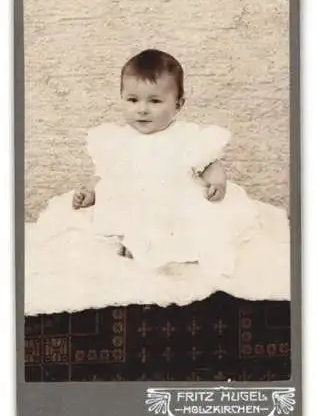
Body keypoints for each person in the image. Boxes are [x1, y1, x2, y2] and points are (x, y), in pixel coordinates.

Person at [25, 49, 290, 316]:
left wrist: (216, 183)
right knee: (100, 227)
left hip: (172, 203)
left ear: (178, 104)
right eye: (132, 99)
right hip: (130, 202)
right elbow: (104, 174)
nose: (142, 109)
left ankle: (165, 254)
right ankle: (128, 246)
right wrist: (90, 192)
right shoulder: (117, 140)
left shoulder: (186, 136)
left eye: (154, 101)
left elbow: (209, 164)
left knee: (191, 228)